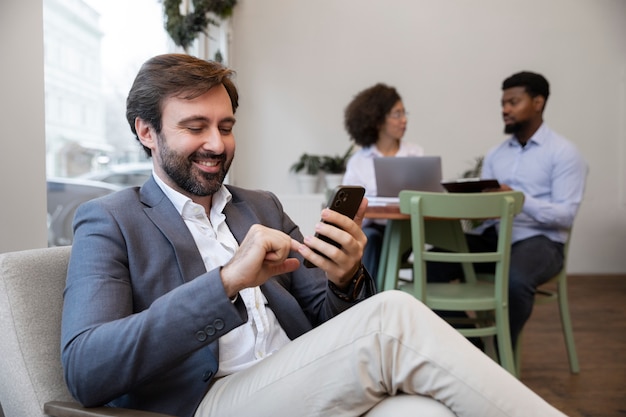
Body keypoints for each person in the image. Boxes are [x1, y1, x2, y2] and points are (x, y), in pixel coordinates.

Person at [61, 54, 569, 417]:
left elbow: (325, 322)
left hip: (299, 379)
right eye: (195, 126)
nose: (217, 143)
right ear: (146, 132)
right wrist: (226, 281)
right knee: (391, 314)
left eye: (226, 125)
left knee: (419, 411)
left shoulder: (259, 207)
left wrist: (345, 278)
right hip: (210, 399)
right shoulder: (110, 219)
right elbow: (87, 368)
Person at [427, 71, 588, 348]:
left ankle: (503, 353)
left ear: (538, 102)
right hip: (494, 236)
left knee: (515, 280)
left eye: (513, 102)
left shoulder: (564, 153)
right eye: (503, 103)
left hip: (540, 242)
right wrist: (476, 203)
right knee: (430, 264)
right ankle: (474, 348)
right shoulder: (495, 154)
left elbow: (565, 214)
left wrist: (517, 199)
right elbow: (486, 210)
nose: (505, 109)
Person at [342, 83, 424, 281]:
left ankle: (372, 298)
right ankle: (369, 298)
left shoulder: (415, 154)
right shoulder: (359, 161)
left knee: (380, 239)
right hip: (373, 231)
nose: (404, 120)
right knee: (370, 237)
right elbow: (349, 209)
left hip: (409, 232)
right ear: (378, 120)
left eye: (405, 114)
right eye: (397, 114)